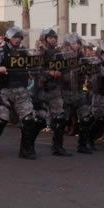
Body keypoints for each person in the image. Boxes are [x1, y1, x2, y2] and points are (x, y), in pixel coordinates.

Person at [0, 27, 46, 159]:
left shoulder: (23, 51)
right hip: (4, 90)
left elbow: (33, 64)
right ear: (8, 38)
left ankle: (25, 149)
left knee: (29, 119)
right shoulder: (1, 51)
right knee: (2, 120)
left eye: (19, 37)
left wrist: (35, 68)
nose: (17, 40)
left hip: (21, 90)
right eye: (15, 37)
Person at [36, 28, 72, 157]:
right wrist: (49, 73)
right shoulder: (39, 52)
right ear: (45, 39)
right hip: (40, 89)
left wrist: (66, 74)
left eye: (54, 37)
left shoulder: (58, 53)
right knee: (38, 119)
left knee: (60, 117)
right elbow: (34, 70)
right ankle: (27, 144)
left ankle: (58, 146)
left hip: (54, 89)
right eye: (50, 37)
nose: (53, 40)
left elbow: (65, 68)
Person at [61, 33, 94, 154]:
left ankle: (83, 144)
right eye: (75, 43)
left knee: (85, 117)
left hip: (80, 92)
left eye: (79, 43)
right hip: (66, 91)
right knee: (62, 119)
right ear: (69, 44)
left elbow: (90, 71)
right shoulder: (62, 57)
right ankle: (58, 145)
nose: (77, 45)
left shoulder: (82, 57)